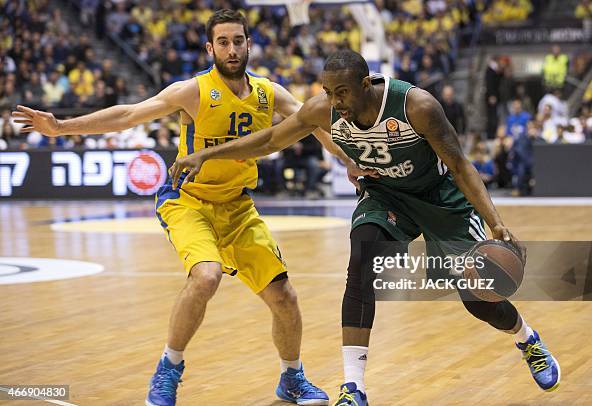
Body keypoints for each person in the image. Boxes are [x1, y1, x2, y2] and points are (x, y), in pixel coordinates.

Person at [12, 10, 377, 406]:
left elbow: (314, 122)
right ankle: (168, 369)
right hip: (190, 202)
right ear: (210, 48)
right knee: (206, 277)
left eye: (238, 41)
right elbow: (131, 114)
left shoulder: (267, 92)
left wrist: (347, 160)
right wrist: (63, 128)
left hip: (237, 207)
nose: (232, 49)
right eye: (223, 42)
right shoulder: (195, 90)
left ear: (249, 44)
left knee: (284, 296)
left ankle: (291, 377)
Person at [170, 49, 561, 405]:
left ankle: (528, 340)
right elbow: (270, 139)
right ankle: (352, 387)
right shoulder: (322, 110)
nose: (335, 102)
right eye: (328, 92)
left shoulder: (417, 106)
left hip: (441, 200)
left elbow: (460, 166)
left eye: (342, 92)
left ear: (366, 84)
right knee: (362, 261)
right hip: (386, 196)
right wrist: (205, 154)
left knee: (478, 300)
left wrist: (496, 223)